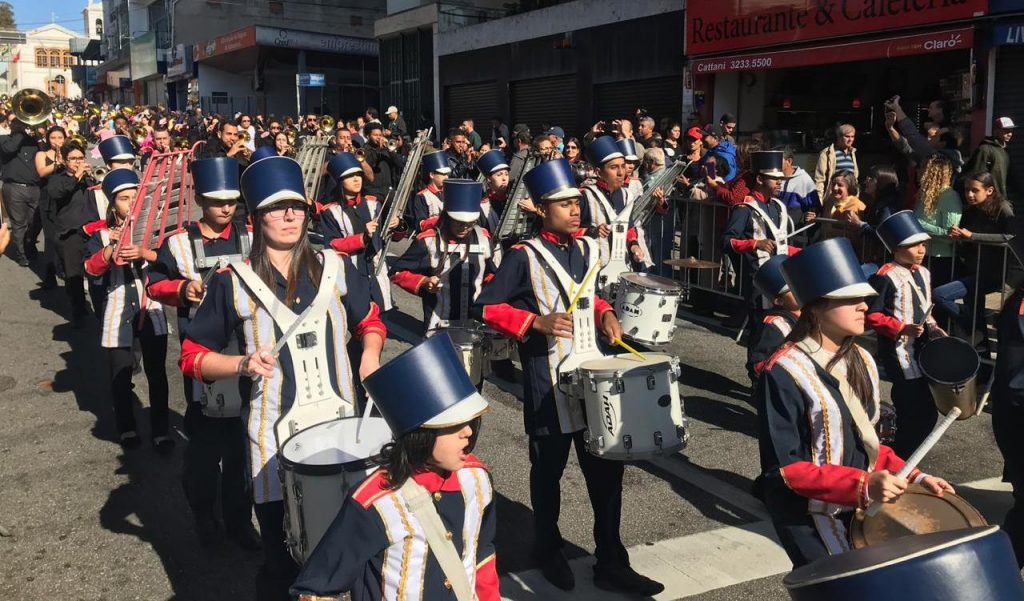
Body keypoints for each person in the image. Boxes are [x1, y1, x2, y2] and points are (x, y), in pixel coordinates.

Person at [178, 156, 386, 601]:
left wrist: (369, 355)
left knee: (354, 552)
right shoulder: (232, 281)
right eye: (276, 208)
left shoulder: (335, 267)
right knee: (282, 557)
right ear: (256, 218)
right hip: (271, 438)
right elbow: (192, 357)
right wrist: (241, 364)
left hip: (340, 429)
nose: (289, 216)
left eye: (296, 207)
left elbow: (369, 320)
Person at [472, 159, 662, 595]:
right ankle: (547, 548)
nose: (575, 210)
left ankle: (611, 560)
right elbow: (486, 306)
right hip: (548, 383)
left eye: (577, 202)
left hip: (593, 378)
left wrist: (606, 312)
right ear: (542, 209)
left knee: (606, 473)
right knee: (548, 474)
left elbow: (590, 297)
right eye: (563, 204)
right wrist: (532, 322)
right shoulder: (523, 256)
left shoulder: (588, 249)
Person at [758, 237, 954, 567]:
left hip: (860, 508)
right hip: (808, 517)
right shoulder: (782, 370)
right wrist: (862, 484)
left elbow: (868, 443)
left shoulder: (861, 359)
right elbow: (784, 470)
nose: (864, 305)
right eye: (850, 299)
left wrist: (915, 477)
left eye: (863, 298)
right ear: (816, 307)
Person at [291, 334, 498, 601]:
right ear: (420, 434)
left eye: (470, 421)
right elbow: (314, 588)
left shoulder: (477, 480)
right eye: (453, 425)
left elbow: (481, 553)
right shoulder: (375, 503)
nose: (468, 432)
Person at [145, 157, 259, 549]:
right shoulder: (177, 242)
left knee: (244, 447)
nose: (225, 208)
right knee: (205, 450)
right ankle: (205, 518)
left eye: (231, 200)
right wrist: (181, 290)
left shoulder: (251, 235)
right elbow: (153, 283)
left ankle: (240, 521)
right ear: (199, 200)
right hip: (203, 358)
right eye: (216, 201)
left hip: (248, 355)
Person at [83, 169, 172, 452]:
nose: (131, 203)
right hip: (118, 309)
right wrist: (111, 249)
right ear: (112, 204)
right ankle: (126, 427)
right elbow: (91, 269)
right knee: (120, 374)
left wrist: (145, 252)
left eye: (136, 197)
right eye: (124, 198)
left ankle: (161, 430)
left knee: (157, 374)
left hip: (151, 306)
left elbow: (171, 262)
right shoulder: (100, 234)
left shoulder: (156, 231)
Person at [866, 211, 944, 458]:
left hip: (922, 351)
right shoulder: (885, 276)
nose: (921, 250)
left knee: (926, 412)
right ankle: (898, 457)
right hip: (898, 353)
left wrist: (934, 327)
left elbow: (925, 307)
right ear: (897, 248)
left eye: (923, 245)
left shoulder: (924, 272)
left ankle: (901, 455)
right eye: (914, 245)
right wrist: (901, 328)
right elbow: (871, 315)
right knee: (912, 409)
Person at [391, 179, 498, 344]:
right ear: (447, 217)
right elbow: (396, 272)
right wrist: (424, 281)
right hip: (438, 326)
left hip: (474, 326)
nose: (465, 227)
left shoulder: (483, 238)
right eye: (459, 222)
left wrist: (493, 288)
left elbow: (490, 273)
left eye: (470, 223)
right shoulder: (428, 241)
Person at [722, 150, 799, 354]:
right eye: (774, 179)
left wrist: (800, 252)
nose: (780, 182)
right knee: (759, 334)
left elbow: (780, 245)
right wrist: (754, 244)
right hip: (758, 280)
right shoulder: (744, 208)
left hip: (782, 279)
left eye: (781, 179)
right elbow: (726, 241)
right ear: (759, 179)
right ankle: (755, 370)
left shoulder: (779, 208)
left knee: (779, 331)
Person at [317, 152, 404, 314]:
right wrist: (362, 238)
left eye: (358, 175)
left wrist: (398, 225)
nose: (356, 179)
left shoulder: (374, 204)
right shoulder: (330, 211)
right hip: (352, 275)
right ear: (340, 181)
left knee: (381, 319)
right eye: (350, 176)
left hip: (378, 273)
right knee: (359, 320)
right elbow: (332, 245)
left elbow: (391, 237)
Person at [936, 171, 1015, 344]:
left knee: (940, 295)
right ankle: (980, 348)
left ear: (989, 190)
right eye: (967, 190)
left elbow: (1010, 237)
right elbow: (966, 238)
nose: (970, 195)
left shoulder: (1002, 208)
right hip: (972, 268)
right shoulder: (972, 210)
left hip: (991, 273)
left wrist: (973, 236)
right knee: (975, 313)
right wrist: (959, 236)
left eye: (975, 190)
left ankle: (971, 321)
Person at [579, 136, 645, 278]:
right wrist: (592, 231)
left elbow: (629, 228)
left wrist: (634, 245)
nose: (621, 172)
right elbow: (569, 232)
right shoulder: (585, 196)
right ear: (598, 172)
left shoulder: (627, 195)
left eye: (622, 166)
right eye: (613, 167)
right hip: (593, 270)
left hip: (621, 269)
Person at [44, 142, 94, 323]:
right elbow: (56, 193)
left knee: (96, 271)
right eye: (73, 159)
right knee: (74, 275)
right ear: (65, 161)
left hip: (91, 230)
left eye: (80, 158)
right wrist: (76, 176)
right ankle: (78, 311)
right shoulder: (57, 179)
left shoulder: (89, 178)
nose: (77, 162)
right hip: (70, 232)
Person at [746, 255, 800, 382]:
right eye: (792, 289)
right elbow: (758, 363)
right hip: (779, 383)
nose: (800, 290)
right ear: (779, 301)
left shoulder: (811, 314)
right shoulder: (774, 325)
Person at [0, 116, 43, 266]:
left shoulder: (32, 141)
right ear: (10, 124)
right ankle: (22, 255)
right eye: (16, 122)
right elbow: (9, 148)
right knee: (19, 224)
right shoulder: (4, 140)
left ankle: (29, 244)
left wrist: (38, 133)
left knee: (36, 222)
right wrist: (20, 132)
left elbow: (44, 155)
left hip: (35, 187)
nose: (20, 124)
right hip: (14, 188)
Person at [913, 155, 961, 286]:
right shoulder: (925, 194)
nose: (918, 171)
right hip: (923, 255)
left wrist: (919, 225)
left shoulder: (949, 196)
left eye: (922, 168)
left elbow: (950, 234)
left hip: (940, 259)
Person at [35, 125, 67, 286]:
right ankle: (50, 274)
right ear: (48, 139)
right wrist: (57, 163)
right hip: (48, 200)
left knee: (67, 237)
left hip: (66, 199)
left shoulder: (69, 154)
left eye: (60, 137)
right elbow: (41, 171)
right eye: (53, 138)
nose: (57, 141)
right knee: (50, 238)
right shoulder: (41, 154)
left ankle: (67, 270)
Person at [777, 146, 819, 247]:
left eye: (777, 160)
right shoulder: (773, 177)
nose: (774, 163)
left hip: (795, 235)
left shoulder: (804, 180)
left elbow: (814, 207)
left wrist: (811, 215)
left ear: (789, 161)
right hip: (776, 232)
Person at [963, 117, 1014, 199]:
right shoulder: (985, 149)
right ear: (996, 131)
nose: (1010, 134)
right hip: (988, 199)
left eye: (1011, 131)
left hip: (1001, 198)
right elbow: (976, 175)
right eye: (1006, 130)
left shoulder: (1005, 152)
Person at [409, 150, 451, 233]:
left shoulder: (450, 193)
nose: (446, 177)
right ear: (432, 175)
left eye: (447, 174)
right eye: (443, 174)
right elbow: (421, 224)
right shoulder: (422, 196)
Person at [813, 124, 859, 201]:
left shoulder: (852, 153)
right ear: (839, 137)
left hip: (850, 199)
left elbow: (855, 177)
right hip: (834, 197)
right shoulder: (828, 153)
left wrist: (856, 195)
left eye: (852, 137)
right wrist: (819, 200)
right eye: (847, 136)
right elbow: (819, 179)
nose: (850, 139)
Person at [361, 123, 403, 199]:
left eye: (380, 135)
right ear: (368, 136)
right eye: (375, 135)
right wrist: (379, 150)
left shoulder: (385, 149)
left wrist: (391, 151)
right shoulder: (363, 151)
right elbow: (369, 163)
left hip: (388, 190)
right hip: (372, 191)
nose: (379, 137)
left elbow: (399, 164)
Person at [476, 148, 509, 239]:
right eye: (499, 175)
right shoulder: (482, 206)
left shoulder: (513, 201)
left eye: (506, 174)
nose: (504, 178)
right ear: (488, 179)